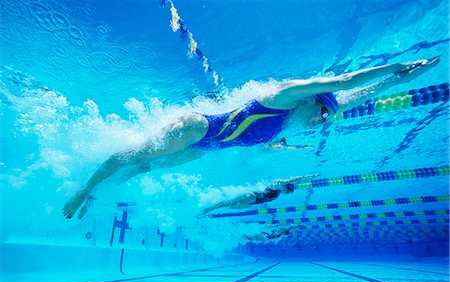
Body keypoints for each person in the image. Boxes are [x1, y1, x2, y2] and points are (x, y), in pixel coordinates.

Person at [63, 56, 439, 219]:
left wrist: (402, 82)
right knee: (131, 157)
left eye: (327, 118)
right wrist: (394, 66)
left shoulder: (294, 122)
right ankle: (83, 189)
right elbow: (343, 84)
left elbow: (354, 97)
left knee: (143, 168)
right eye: (322, 113)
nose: (322, 122)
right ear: (311, 101)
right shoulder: (284, 95)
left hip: (202, 148)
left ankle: (96, 193)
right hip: (197, 128)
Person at [200, 174, 318, 215]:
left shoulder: (279, 192)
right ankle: (207, 209)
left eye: (291, 191)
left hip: (252, 201)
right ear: (286, 186)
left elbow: (296, 184)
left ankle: (208, 206)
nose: (290, 192)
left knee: (229, 205)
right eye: (290, 190)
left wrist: (306, 180)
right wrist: (307, 176)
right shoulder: (276, 185)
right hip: (251, 196)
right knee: (227, 203)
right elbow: (290, 180)